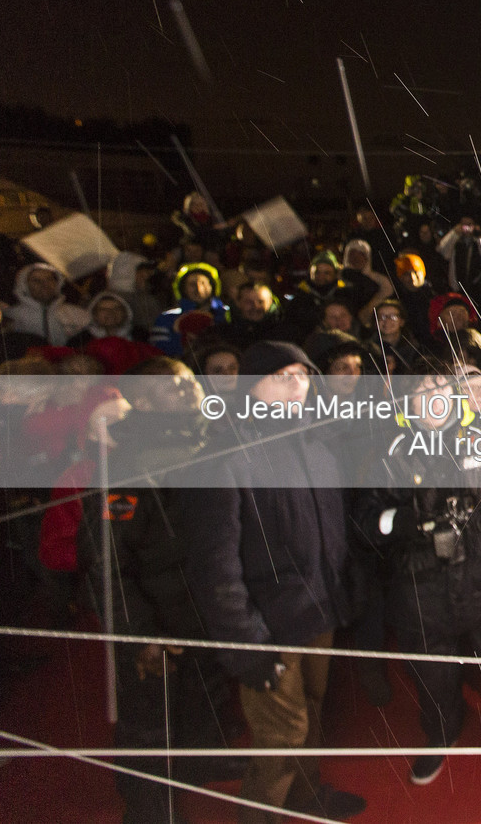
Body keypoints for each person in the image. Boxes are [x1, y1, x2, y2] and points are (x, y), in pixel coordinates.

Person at [179, 341, 363, 824]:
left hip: (319, 613)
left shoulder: (320, 445)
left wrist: (342, 589)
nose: (296, 383)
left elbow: (332, 531)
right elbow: (214, 567)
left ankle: (307, 801)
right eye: (281, 375)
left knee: (314, 712)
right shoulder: (226, 458)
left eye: (302, 374)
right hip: (269, 629)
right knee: (282, 735)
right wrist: (246, 646)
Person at [354, 367, 481, 788]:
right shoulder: (388, 452)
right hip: (420, 591)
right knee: (432, 673)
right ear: (408, 401)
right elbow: (364, 522)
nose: (435, 396)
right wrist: (405, 519)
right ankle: (440, 734)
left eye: (441, 387)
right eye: (423, 389)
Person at [76, 357, 240, 823]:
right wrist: (139, 633)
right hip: (156, 615)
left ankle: (202, 759)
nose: (187, 389)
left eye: (188, 380)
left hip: (205, 604)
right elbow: (104, 564)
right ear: (143, 401)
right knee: (149, 719)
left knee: (206, 692)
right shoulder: (125, 464)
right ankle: (146, 807)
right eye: (172, 385)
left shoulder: (208, 439)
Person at [149, 263, 228, 357]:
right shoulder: (166, 318)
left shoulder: (227, 314)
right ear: (183, 289)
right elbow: (159, 351)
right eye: (192, 284)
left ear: (212, 287)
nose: (199, 288)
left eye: (203, 283)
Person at [5, 262, 90, 346]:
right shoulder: (12, 316)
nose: (44, 284)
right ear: (24, 286)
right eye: (36, 281)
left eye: (49, 279)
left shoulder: (77, 314)